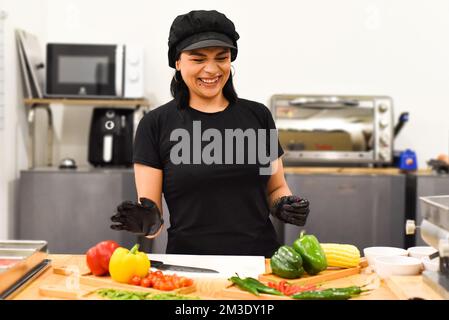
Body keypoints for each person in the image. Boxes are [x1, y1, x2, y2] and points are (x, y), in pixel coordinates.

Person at [110, 10, 310, 257]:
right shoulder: (155, 124)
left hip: (261, 263)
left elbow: (275, 187)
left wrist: (284, 205)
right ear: (178, 62)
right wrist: (148, 220)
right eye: (198, 59)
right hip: (189, 266)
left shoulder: (258, 116)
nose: (211, 69)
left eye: (221, 58)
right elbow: (153, 215)